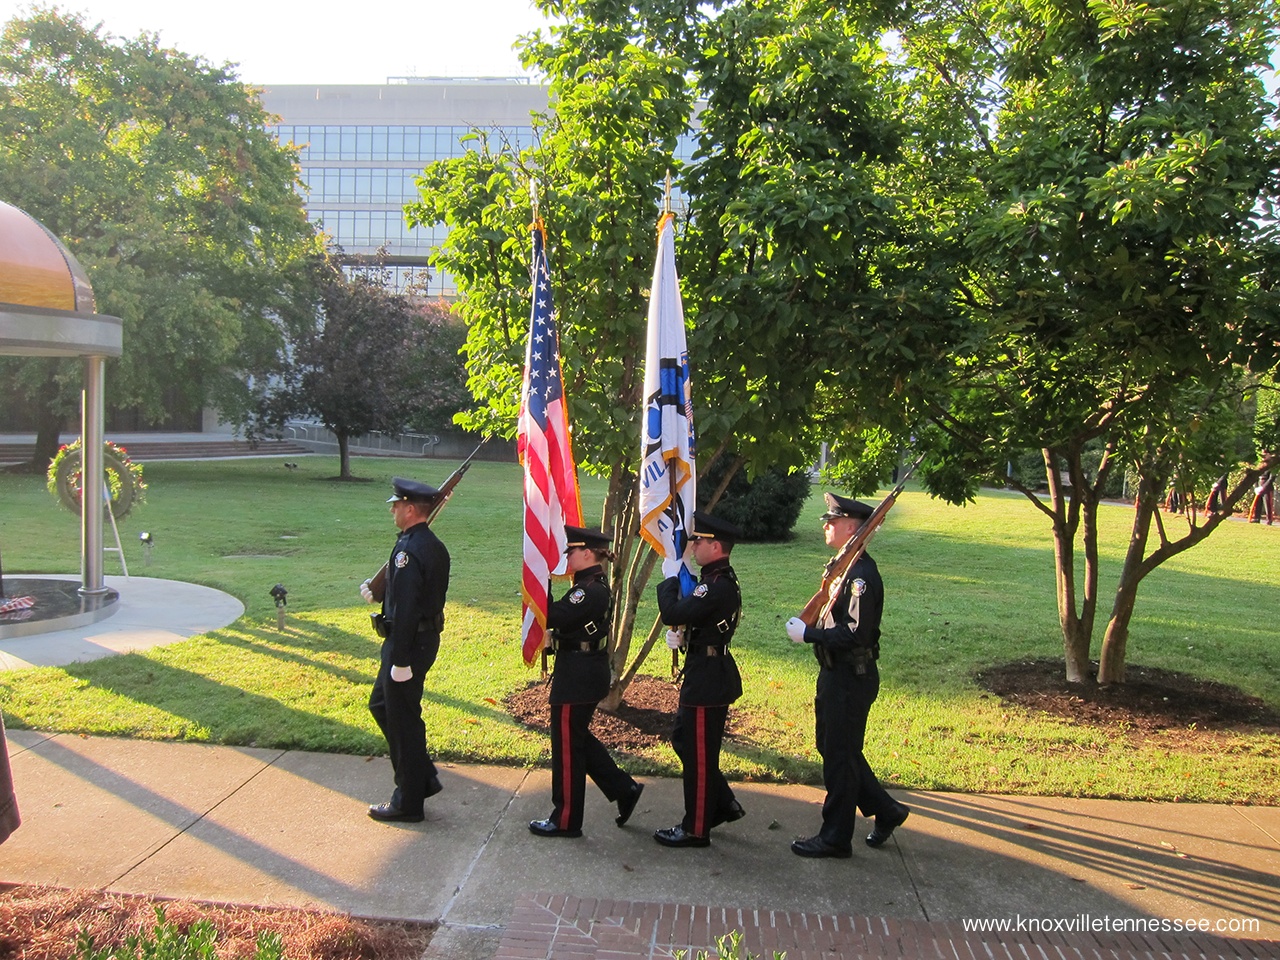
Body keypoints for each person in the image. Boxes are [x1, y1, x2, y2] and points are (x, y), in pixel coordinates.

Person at [784, 493, 909, 858]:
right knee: (835, 749)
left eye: (833, 521)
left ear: (853, 528)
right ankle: (887, 811)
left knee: (840, 756)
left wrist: (809, 634)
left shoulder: (861, 577)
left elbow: (855, 634)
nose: (826, 525)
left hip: (851, 677)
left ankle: (836, 836)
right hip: (835, 673)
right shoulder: (844, 567)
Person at [529, 526, 644, 838]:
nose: (567, 557)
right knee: (575, 738)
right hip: (581, 670)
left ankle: (566, 819)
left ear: (588, 554)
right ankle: (624, 788)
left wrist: (540, 583)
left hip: (578, 676)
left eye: (571, 552)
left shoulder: (588, 590)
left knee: (567, 745)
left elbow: (553, 615)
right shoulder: (588, 584)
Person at [653, 511, 746, 848]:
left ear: (716, 546)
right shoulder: (712, 580)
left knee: (700, 755)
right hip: (702, 673)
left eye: (698, 541)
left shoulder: (717, 585)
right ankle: (722, 804)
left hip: (708, 679)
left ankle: (696, 828)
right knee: (683, 740)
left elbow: (673, 613)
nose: (692, 546)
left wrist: (670, 579)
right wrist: (686, 638)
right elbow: (694, 619)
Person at [362, 477, 450, 823]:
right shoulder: (428, 544)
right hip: (418, 641)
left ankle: (408, 801)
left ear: (411, 509)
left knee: (402, 719)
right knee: (384, 706)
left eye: (397, 504)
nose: (393, 509)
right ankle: (422, 776)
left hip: (409, 645)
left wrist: (400, 660)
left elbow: (410, 609)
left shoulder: (409, 550)